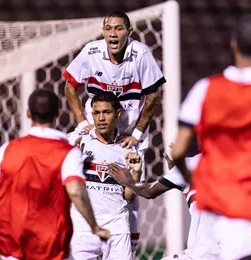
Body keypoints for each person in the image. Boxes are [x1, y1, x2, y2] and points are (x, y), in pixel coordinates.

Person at [63, 10, 166, 252]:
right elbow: (70, 84)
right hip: (94, 131)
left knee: (129, 193)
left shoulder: (140, 54)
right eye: (109, 28)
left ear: (129, 33)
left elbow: (153, 95)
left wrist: (137, 134)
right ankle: (77, 238)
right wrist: (81, 123)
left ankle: (124, 248)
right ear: (103, 31)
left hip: (128, 135)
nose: (113, 33)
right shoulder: (92, 51)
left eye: (119, 28)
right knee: (80, 182)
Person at [171, 15, 251, 260]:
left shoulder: (205, 89)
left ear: (234, 44)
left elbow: (179, 149)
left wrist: (191, 178)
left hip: (223, 207)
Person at [0, 88, 110, 260]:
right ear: (58, 113)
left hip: (14, 245)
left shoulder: (7, 149)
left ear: (28, 113)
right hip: (50, 246)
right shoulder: (68, 152)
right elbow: (75, 191)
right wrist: (94, 227)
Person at [67, 92, 142, 260]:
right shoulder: (79, 141)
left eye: (106, 112)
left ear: (118, 113)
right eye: (96, 113)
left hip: (116, 226)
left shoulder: (127, 148)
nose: (101, 118)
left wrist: (136, 172)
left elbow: (128, 197)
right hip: (82, 226)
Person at [108, 150, 221, 260]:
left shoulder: (194, 164)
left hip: (201, 255)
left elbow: (148, 191)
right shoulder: (236, 166)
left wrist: (128, 180)